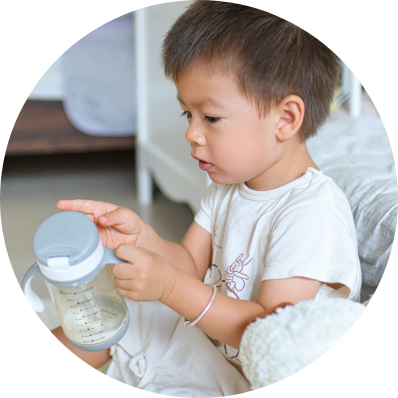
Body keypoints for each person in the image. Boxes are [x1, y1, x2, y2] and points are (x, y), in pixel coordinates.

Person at [53, 1, 361, 394]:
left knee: (151, 305)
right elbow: (189, 266)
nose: (191, 134)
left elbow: (267, 335)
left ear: (285, 119)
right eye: (187, 114)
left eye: (210, 118)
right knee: (112, 307)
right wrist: (141, 240)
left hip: (252, 375)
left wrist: (168, 288)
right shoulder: (226, 188)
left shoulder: (312, 213)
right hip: (208, 347)